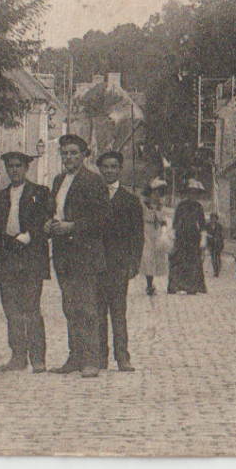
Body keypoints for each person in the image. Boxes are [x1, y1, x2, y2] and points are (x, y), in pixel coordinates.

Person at [45, 134, 109, 378]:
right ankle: (75, 356)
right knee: (70, 307)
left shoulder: (94, 182)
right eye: (65, 153)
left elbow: (102, 220)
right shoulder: (59, 180)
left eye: (73, 153)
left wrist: (72, 227)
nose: (68, 157)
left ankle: (92, 359)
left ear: (84, 155)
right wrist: (48, 223)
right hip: (63, 254)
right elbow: (53, 210)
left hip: (86, 255)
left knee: (88, 309)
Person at [0, 150, 52, 373]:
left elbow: (45, 219)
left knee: (31, 309)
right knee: (11, 310)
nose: (14, 170)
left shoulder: (40, 193)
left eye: (18, 166)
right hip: (8, 257)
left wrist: (30, 235)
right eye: (10, 166)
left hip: (30, 257)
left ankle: (37, 358)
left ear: (26, 169)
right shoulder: (1, 197)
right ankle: (17, 356)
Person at [95, 151, 143, 372]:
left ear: (120, 170)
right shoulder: (92, 198)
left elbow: (137, 235)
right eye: (105, 167)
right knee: (97, 313)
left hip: (118, 266)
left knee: (118, 312)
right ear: (99, 169)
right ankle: (100, 355)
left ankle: (122, 355)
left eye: (113, 167)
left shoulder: (130, 201)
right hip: (95, 264)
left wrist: (133, 264)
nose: (109, 171)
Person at [168, 180, 209, 295]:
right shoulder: (181, 206)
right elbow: (176, 221)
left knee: (193, 262)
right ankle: (175, 285)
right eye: (190, 193)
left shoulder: (198, 207)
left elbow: (202, 224)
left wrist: (203, 237)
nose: (193, 195)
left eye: (195, 193)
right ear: (187, 194)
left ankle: (192, 286)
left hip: (193, 238)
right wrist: (173, 233)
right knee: (178, 260)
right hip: (181, 237)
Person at [139, 179, 173, 296]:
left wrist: (163, 229)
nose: (156, 195)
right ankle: (149, 285)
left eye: (159, 193)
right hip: (146, 232)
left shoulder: (160, 207)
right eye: (155, 193)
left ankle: (151, 283)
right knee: (148, 258)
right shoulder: (143, 205)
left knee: (156, 258)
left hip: (156, 233)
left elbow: (164, 221)